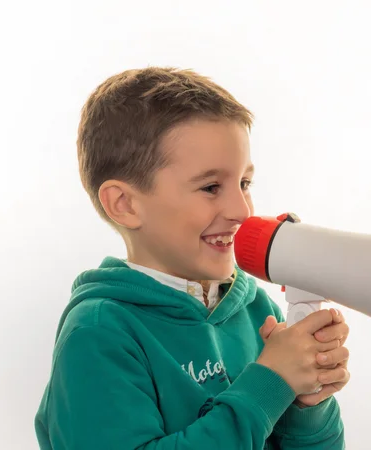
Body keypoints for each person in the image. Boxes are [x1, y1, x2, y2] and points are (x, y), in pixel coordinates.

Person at [34, 66, 351, 449]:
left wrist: (305, 400)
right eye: (211, 186)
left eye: (244, 183)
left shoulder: (256, 310)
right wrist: (268, 384)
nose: (242, 209)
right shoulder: (100, 334)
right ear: (125, 204)